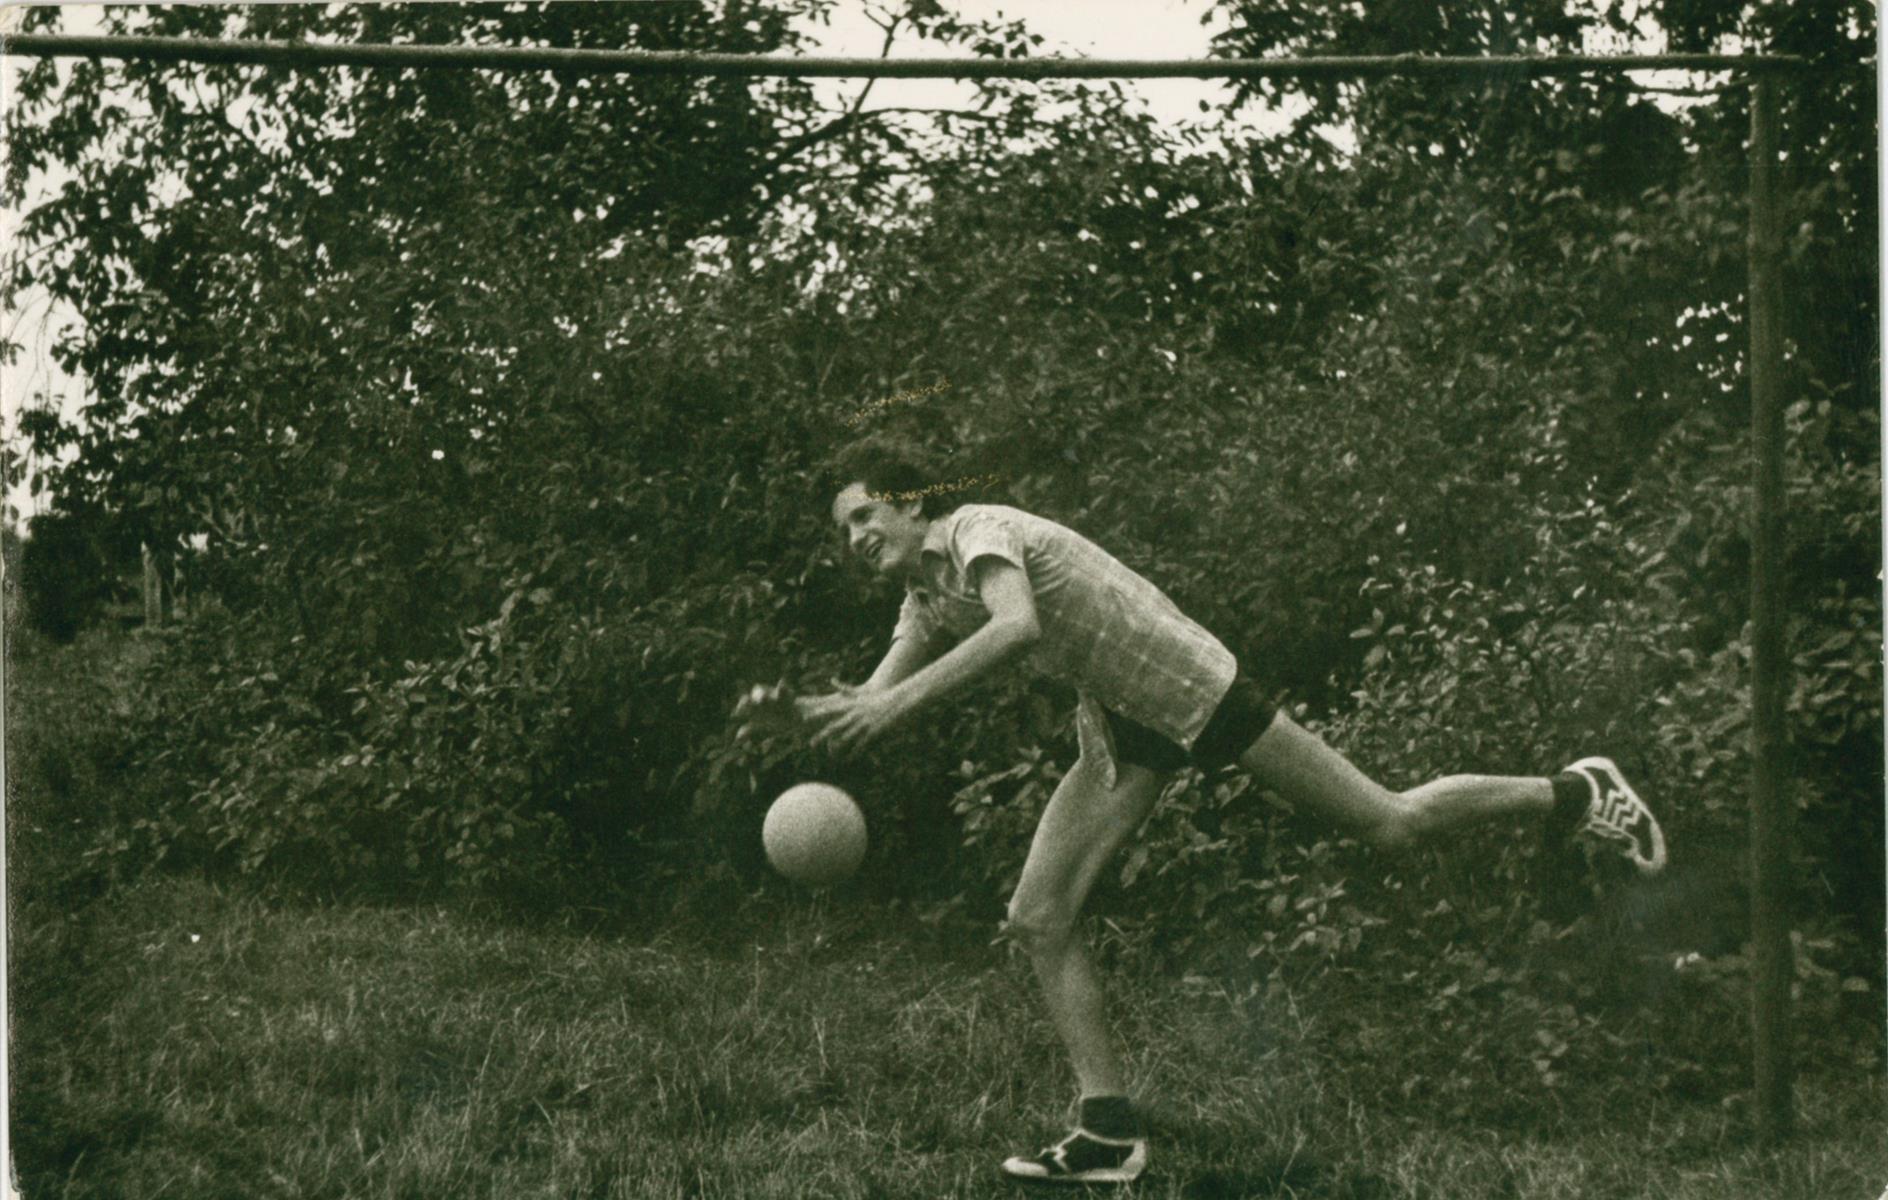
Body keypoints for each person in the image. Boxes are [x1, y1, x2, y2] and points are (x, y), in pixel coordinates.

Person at [749, 436, 1666, 1186]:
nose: (855, 537)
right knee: (1037, 915)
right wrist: (806, 713)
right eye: (844, 529)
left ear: (910, 504)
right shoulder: (922, 596)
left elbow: (1017, 625)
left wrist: (887, 709)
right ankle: (1108, 1133)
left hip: (1193, 687)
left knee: (1388, 822)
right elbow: (871, 700)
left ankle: (1575, 791)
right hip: (1128, 719)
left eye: (865, 515)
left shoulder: (978, 531)